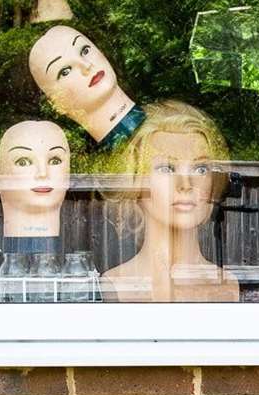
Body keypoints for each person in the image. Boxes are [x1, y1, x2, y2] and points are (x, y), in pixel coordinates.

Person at [102, 100, 239, 303]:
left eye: (200, 169)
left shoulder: (228, 285)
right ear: (137, 182)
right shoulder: (116, 283)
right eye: (167, 168)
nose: (185, 184)